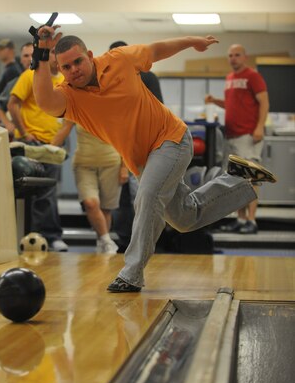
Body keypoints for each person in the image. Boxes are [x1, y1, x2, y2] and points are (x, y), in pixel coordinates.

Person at [32, 28, 276, 292]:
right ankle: (239, 178)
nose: (74, 70)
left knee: (147, 197)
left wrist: (192, 41)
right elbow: (45, 101)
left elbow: (156, 50)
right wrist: (41, 54)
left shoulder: (119, 59)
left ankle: (131, 274)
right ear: (61, 69)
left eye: (78, 61)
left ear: (90, 56)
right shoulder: (69, 96)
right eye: (66, 67)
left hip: (171, 138)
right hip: (143, 161)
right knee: (185, 217)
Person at [7, 48, 68, 252]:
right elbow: (12, 103)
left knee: (48, 192)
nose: (55, 57)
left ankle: (50, 237)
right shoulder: (29, 75)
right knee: (24, 192)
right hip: (30, 145)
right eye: (52, 53)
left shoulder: (64, 80)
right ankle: (19, 236)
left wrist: (56, 143)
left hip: (51, 147)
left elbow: (71, 115)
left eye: (56, 53)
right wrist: (23, 133)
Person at [205, 44, 269, 234]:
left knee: (251, 179)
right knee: (236, 180)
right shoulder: (230, 78)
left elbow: (264, 102)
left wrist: (259, 127)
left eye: (237, 55)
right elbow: (231, 105)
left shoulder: (253, 76)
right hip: (230, 135)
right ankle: (240, 220)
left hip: (248, 136)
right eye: (230, 55)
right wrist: (215, 101)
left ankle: (251, 220)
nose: (233, 58)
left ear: (245, 57)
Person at [109, 40, 164, 251]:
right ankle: (126, 240)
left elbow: (158, 110)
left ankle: (147, 241)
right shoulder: (111, 82)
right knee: (123, 199)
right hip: (119, 145)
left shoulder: (147, 77)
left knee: (143, 196)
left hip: (145, 145)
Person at [52, 120, 128, 253]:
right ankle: (107, 241)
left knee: (106, 209)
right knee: (90, 203)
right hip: (84, 164)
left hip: (111, 164)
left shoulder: (114, 105)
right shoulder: (76, 107)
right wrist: (46, 150)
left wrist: (125, 167)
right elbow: (63, 131)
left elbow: (125, 138)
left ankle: (102, 243)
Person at [0, 38, 23, 104]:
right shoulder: (10, 69)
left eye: (1, 49)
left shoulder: (12, 71)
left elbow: (11, 96)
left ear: (11, 50)